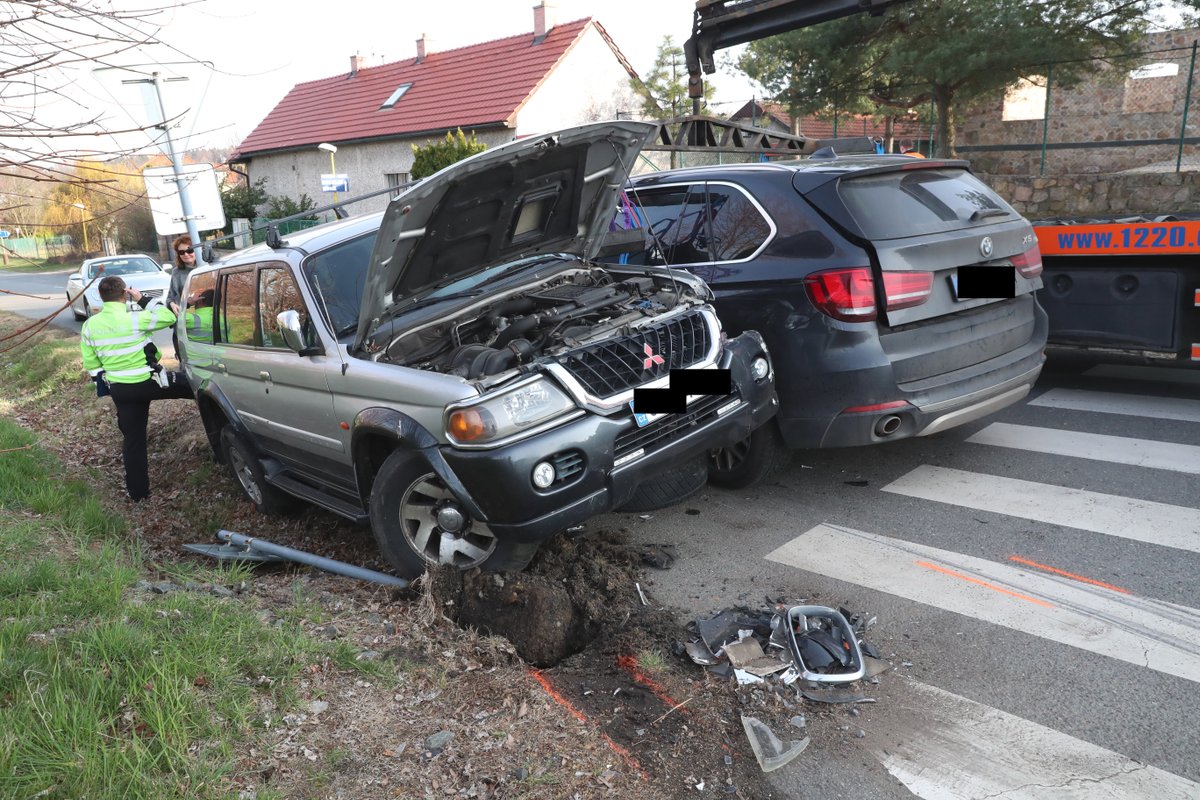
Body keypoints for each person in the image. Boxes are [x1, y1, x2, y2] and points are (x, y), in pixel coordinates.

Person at [81, 275, 194, 502]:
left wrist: (107, 387)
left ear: (102, 298)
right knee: (194, 385)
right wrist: (142, 299)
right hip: (149, 382)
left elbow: (92, 365)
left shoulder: (90, 325)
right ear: (124, 294)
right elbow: (166, 315)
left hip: (121, 390)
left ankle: (139, 495)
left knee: (133, 440)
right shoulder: (135, 318)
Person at [166, 234, 198, 356]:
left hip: (205, 322)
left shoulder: (208, 267)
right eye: (181, 252)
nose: (186, 254)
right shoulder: (176, 272)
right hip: (184, 324)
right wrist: (172, 304)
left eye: (190, 250)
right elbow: (170, 296)